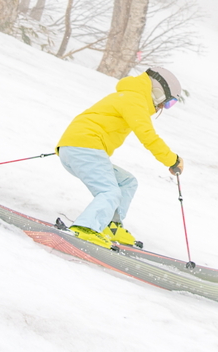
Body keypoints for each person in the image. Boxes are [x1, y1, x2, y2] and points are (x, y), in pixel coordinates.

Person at [56, 66, 185, 249]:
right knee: (110, 191)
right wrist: (173, 160)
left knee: (127, 182)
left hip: (78, 148)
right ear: (157, 91)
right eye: (169, 102)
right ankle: (86, 228)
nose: (165, 107)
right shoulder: (134, 100)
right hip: (84, 147)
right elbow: (147, 136)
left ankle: (111, 225)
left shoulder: (130, 97)